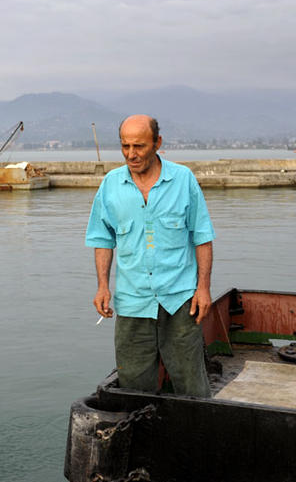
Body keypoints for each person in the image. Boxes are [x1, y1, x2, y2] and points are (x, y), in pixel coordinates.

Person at [85, 114, 215, 398]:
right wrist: (102, 286)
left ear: (157, 143)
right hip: (133, 303)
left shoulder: (183, 180)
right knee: (133, 388)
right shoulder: (110, 185)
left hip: (180, 301)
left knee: (192, 387)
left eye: (139, 146)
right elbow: (102, 240)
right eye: (125, 146)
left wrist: (203, 289)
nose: (131, 154)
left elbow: (202, 237)